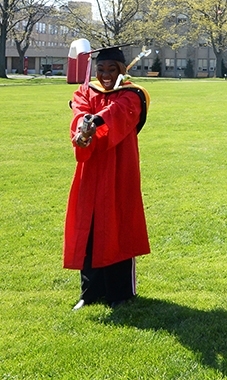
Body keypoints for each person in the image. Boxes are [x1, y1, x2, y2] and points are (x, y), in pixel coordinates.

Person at [64, 45, 150, 310]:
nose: (105, 75)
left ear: (122, 70)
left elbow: (119, 115)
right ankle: (89, 293)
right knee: (89, 227)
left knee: (118, 226)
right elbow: (79, 110)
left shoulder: (132, 94)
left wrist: (95, 122)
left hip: (119, 169)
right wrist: (83, 131)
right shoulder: (87, 90)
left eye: (111, 69)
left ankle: (120, 294)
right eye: (101, 69)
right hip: (91, 170)